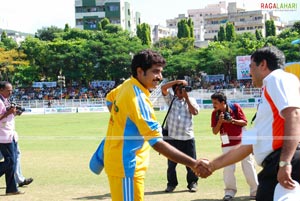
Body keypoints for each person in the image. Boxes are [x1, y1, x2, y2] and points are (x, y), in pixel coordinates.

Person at [103, 50, 207, 201]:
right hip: (127, 168)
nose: (160, 77)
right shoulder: (138, 99)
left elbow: (109, 100)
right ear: (140, 71)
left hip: (120, 163)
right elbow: (157, 143)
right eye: (156, 72)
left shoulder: (127, 84)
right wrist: (193, 163)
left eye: (161, 71)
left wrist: (120, 121)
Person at [199, 46, 300, 201]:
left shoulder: (276, 78)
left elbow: (294, 114)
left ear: (263, 64)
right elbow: (247, 146)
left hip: (284, 161)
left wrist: (285, 162)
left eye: (251, 67)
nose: (249, 72)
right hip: (275, 165)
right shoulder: (267, 98)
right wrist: (212, 165)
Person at [210, 92, 258, 201]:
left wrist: (232, 120)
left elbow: (244, 122)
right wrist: (220, 122)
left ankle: (255, 191)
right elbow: (214, 131)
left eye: (215, 103)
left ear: (223, 102)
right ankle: (229, 192)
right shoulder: (215, 114)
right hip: (226, 143)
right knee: (228, 169)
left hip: (243, 141)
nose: (213, 105)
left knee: (249, 166)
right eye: (213, 103)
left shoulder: (235, 107)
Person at [161, 79, 199, 193]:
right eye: (181, 88)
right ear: (176, 90)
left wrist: (186, 98)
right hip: (172, 138)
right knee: (171, 164)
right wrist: (177, 81)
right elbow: (163, 88)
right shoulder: (171, 100)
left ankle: (192, 183)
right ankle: (171, 184)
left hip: (187, 138)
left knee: (191, 163)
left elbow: (195, 112)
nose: (183, 91)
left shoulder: (191, 100)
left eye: (184, 88)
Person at [0, 81, 24, 195]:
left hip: (10, 134)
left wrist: (14, 113)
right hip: (3, 136)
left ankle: (11, 189)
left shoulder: (5, 100)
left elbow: (7, 116)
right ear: (1, 90)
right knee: (10, 162)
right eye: (8, 90)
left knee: (13, 162)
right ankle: (12, 188)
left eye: (11, 90)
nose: (11, 92)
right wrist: (8, 112)